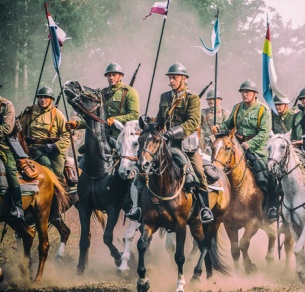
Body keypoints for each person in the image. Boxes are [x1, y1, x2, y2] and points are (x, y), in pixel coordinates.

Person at [128, 62, 213, 223]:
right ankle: (137, 208)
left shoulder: (192, 98)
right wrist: (148, 122)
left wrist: (172, 132)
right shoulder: (165, 97)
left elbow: (193, 122)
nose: (171, 81)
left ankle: (204, 208)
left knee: (199, 172)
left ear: (183, 79)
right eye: (170, 78)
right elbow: (160, 120)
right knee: (142, 169)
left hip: (186, 145)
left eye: (174, 78)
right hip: (166, 145)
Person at [212, 80, 277, 221]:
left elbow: (264, 133)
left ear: (255, 94)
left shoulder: (263, 110)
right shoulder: (236, 108)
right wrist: (219, 127)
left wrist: (250, 143)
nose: (245, 94)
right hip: (237, 146)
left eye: (248, 92)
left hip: (257, 149)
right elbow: (228, 124)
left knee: (267, 173)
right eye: (243, 92)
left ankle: (271, 206)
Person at [66, 62, 140, 139]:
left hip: (122, 134)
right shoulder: (102, 93)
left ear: (120, 76)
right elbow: (96, 118)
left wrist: (114, 120)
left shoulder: (129, 92)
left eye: (114, 75)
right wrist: (77, 124)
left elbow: (134, 115)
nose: (111, 78)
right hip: (104, 135)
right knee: (84, 149)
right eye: (109, 75)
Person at [18, 86, 70, 181]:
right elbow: (19, 130)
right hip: (34, 148)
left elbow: (67, 136)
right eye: (40, 97)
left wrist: (55, 146)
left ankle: (61, 194)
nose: (43, 100)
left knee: (59, 172)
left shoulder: (57, 114)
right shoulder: (29, 112)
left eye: (46, 97)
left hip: (53, 149)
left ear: (51, 100)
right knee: (44, 164)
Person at [0, 95, 24, 219]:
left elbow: (7, 128)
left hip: (3, 144)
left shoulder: (7, 105)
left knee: (10, 170)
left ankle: (18, 206)